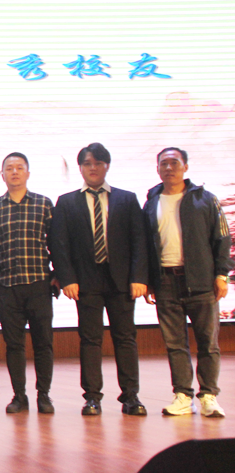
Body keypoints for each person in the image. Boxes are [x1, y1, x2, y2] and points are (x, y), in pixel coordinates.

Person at [51, 143, 149, 416]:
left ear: (107, 165)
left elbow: (139, 241)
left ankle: (131, 397)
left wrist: (139, 277)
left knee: (125, 338)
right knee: (90, 340)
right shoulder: (66, 202)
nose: (92, 168)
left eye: (97, 163)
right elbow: (59, 244)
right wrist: (67, 278)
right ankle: (92, 397)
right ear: (80, 168)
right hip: (85, 281)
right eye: (87, 164)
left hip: (122, 281)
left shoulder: (126, 199)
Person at [142, 147, 232, 417]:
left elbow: (222, 238)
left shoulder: (205, 199)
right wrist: (148, 280)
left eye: (174, 162)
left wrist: (222, 275)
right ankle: (182, 396)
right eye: (164, 164)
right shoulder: (151, 202)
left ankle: (209, 396)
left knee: (208, 343)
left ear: (186, 167)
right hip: (165, 282)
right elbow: (145, 244)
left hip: (202, 281)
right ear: (157, 169)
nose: (169, 168)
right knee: (174, 344)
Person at [0, 152, 57, 414]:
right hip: (8, 286)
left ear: (28, 173)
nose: (14, 172)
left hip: (39, 283)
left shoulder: (43, 203)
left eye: (19, 167)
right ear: (2, 175)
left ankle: (44, 395)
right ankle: (19, 396)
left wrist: (57, 275)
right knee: (14, 345)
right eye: (9, 168)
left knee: (43, 343)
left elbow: (55, 243)